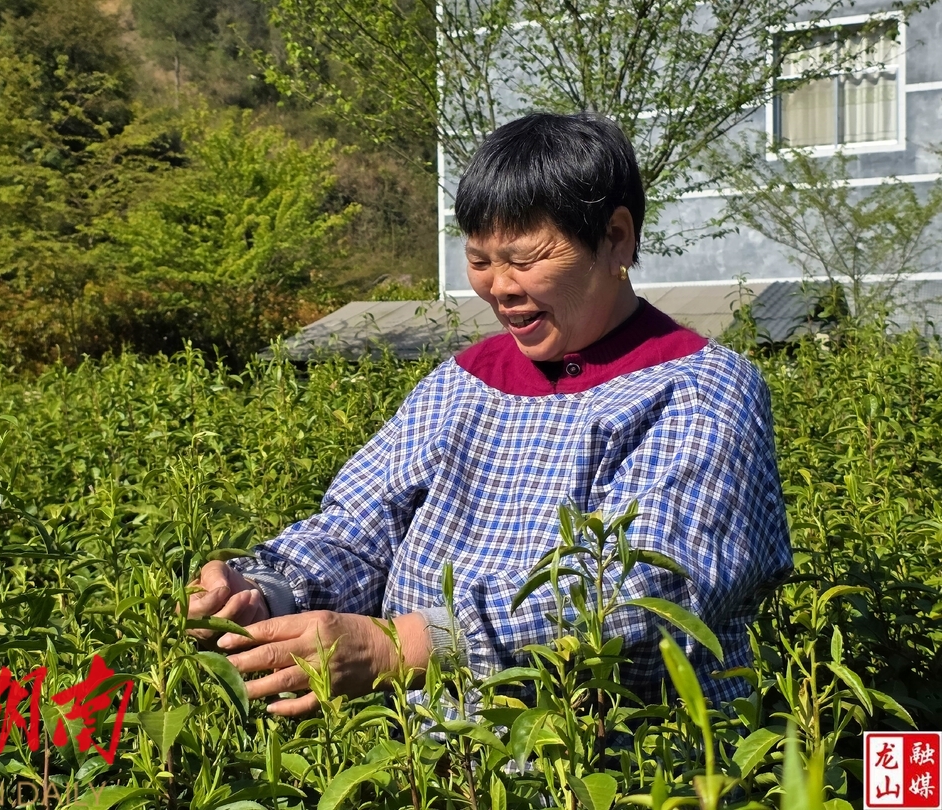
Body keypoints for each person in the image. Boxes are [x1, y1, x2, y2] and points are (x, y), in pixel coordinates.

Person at [185, 111, 792, 718]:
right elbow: (359, 533)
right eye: (480, 260)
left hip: (621, 749)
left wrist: (404, 646)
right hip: (428, 751)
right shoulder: (461, 384)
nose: (499, 286)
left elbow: (650, 590)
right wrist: (264, 591)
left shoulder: (700, 387)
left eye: (525, 259)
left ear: (615, 238)